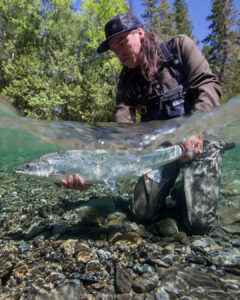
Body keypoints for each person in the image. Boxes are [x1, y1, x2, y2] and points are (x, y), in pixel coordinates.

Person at [62, 14, 224, 235]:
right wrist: (94, 171)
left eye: (122, 43)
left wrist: (195, 128)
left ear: (140, 33)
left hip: (198, 139)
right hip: (159, 148)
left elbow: (209, 85)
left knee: (200, 225)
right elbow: (123, 127)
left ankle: (184, 189)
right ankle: (182, 188)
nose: (118, 54)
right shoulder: (126, 81)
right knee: (141, 214)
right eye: (114, 50)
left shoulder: (179, 47)